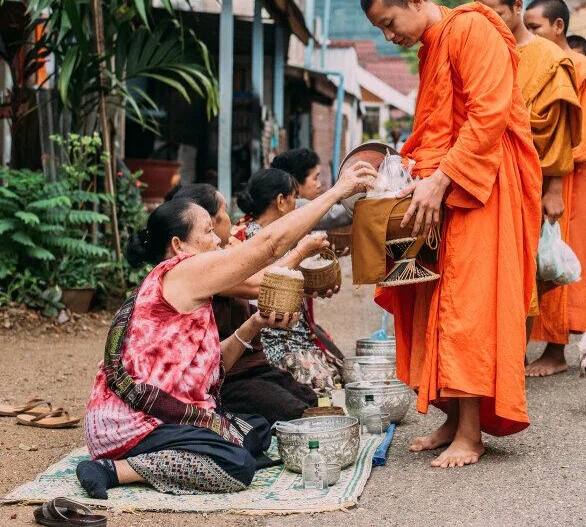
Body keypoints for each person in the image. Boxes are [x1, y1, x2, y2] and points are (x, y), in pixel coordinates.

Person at [78, 161, 376, 498]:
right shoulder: (184, 271)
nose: (218, 238)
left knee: (257, 433)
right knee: (237, 464)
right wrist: (337, 192)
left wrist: (255, 323)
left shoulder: (187, 279)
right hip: (132, 423)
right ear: (179, 245)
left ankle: (184, 448)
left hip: (156, 413)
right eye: (207, 231)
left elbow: (210, 365)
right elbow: (270, 246)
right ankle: (113, 468)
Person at [361, 0, 542, 468]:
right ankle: (451, 415)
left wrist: (441, 180)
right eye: (380, 29)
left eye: (390, 21)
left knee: (468, 305)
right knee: (436, 297)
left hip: (486, 184)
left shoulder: (473, 28)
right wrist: (412, 175)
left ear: (416, 0)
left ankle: (472, 433)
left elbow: (488, 113)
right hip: (447, 184)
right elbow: (437, 125)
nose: (389, 34)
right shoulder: (433, 48)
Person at [473, 0, 582, 338]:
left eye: (497, 13)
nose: (491, 23)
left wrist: (553, 190)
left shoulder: (549, 58)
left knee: (523, 269)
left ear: (518, 7)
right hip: (485, 177)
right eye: (483, 16)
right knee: (486, 269)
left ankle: (513, 355)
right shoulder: (482, 53)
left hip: (529, 180)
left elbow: (560, 130)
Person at [169, 183, 319, 424]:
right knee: (295, 414)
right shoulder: (194, 270)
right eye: (209, 229)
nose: (218, 237)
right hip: (224, 379)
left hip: (250, 366)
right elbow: (262, 279)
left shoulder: (218, 254)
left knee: (308, 399)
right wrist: (301, 251)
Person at [522, 0, 586, 377]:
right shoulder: (534, 61)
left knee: (561, 257)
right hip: (540, 174)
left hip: (571, 177)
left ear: (558, 27)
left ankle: (556, 352)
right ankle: (528, 344)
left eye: (535, 27)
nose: (527, 33)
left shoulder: (581, 69)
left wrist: (554, 182)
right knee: (537, 258)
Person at [231, 168, 345, 389]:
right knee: (325, 384)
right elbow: (265, 287)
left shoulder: (283, 236)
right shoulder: (254, 238)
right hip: (276, 342)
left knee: (340, 373)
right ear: (281, 201)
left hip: (295, 337)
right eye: (295, 198)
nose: (298, 204)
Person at [271, 148, 352, 229]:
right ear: (295, 182)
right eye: (315, 178)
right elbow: (333, 215)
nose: (319, 184)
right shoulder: (295, 207)